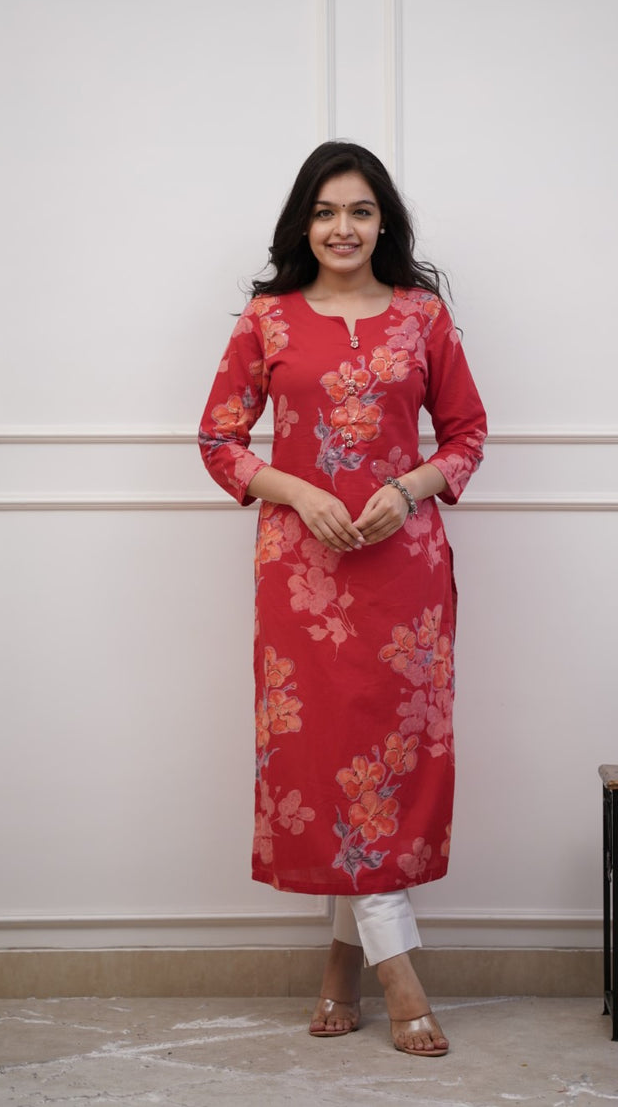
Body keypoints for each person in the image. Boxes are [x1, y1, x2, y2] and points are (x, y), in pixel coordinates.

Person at [198, 142, 487, 1056]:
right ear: (303, 223)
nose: (342, 228)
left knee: (385, 770)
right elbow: (218, 440)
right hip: (301, 575)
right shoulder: (267, 320)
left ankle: (340, 965)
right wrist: (297, 491)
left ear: (383, 220)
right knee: (327, 761)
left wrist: (406, 488)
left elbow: (467, 435)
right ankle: (399, 973)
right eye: (325, 212)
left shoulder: (422, 316)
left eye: (360, 210)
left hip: (404, 578)